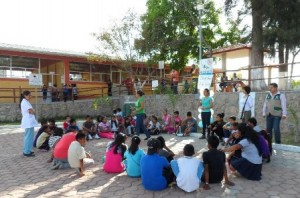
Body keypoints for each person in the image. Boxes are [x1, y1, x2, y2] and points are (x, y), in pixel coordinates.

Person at [20, 90, 38, 157]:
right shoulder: (24, 102)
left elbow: (31, 110)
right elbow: (31, 111)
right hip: (28, 122)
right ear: (25, 95)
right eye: (29, 95)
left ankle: (28, 150)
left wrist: (33, 110)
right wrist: (33, 111)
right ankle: (26, 152)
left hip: (29, 121)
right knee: (28, 137)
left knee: (29, 137)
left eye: (31, 95)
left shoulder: (26, 102)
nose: (30, 96)